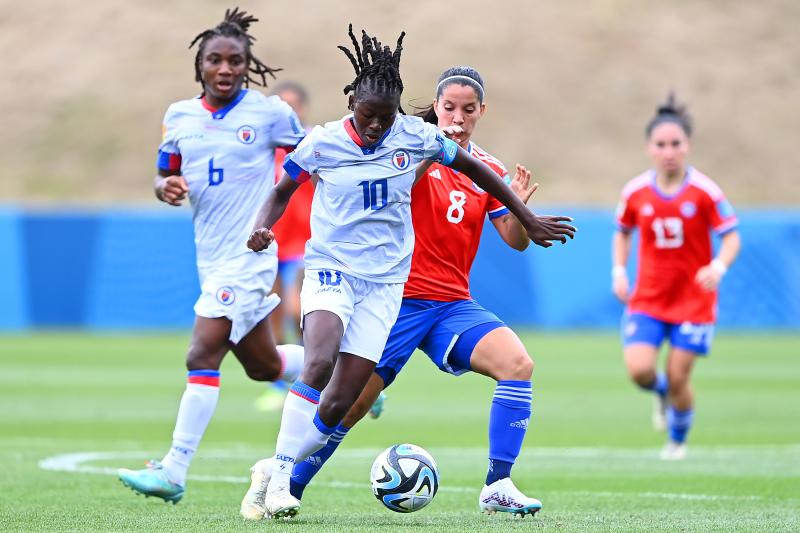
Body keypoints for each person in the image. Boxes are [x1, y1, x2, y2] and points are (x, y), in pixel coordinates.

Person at [239, 26, 575, 520]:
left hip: (449, 304)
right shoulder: (410, 148)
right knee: (345, 406)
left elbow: (513, 240)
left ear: (482, 112)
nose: (457, 118)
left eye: (468, 109)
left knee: (517, 365)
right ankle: (286, 479)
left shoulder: (483, 166)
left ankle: (498, 483)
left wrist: (521, 210)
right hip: (394, 297)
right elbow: (364, 177)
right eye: (449, 108)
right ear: (433, 107)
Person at [117, 8, 306, 503]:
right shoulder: (179, 117)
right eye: (215, 60)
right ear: (199, 65)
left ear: (248, 65)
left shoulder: (269, 114)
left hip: (250, 255)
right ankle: (351, 374)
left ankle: (173, 471)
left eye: (235, 61)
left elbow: (312, 161)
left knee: (201, 352)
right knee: (263, 367)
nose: (225, 69)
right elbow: (164, 174)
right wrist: (167, 187)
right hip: (211, 258)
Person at [612, 93, 740, 460]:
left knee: (679, 374)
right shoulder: (635, 191)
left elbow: (731, 236)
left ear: (688, 146)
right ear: (649, 148)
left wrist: (717, 266)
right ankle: (662, 394)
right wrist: (619, 270)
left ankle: (677, 439)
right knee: (639, 371)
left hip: (693, 300)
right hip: (649, 297)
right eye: (661, 144)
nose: (668, 151)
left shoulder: (705, 192)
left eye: (675, 144)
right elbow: (622, 232)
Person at [255, 81, 313, 413]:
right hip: (271, 242)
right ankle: (280, 385)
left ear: (302, 108)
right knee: (273, 316)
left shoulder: (311, 143)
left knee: (298, 311)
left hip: (304, 243)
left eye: (293, 104)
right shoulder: (267, 147)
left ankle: (318, 376)